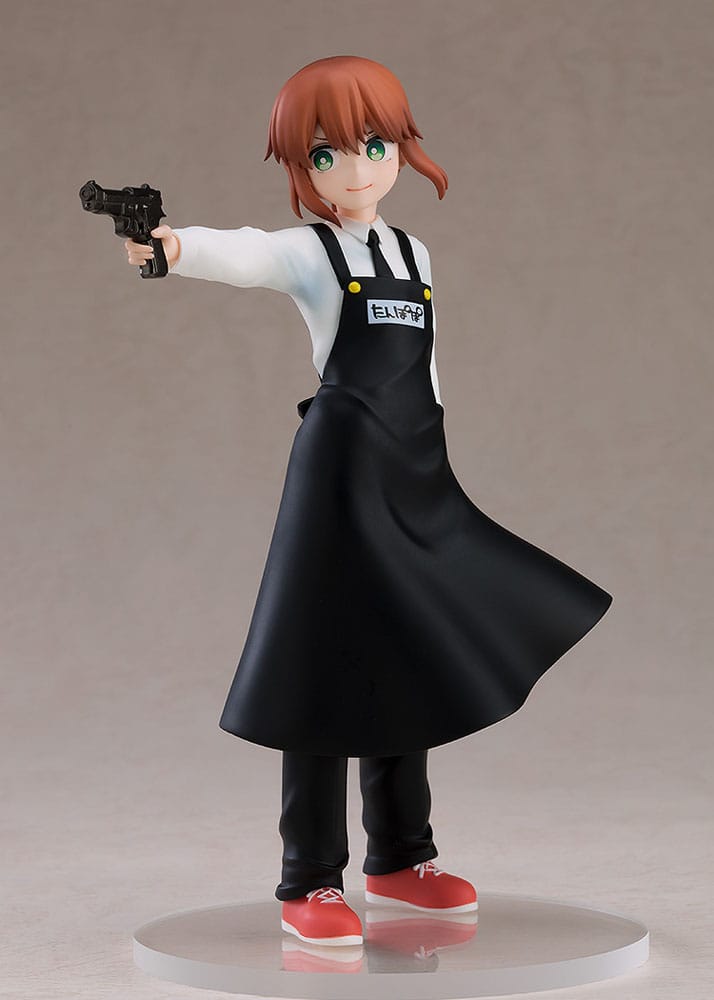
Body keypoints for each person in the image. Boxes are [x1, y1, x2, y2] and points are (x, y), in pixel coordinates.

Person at [124, 55, 613, 948]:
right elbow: (246, 253)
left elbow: (428, 368)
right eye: (326, 155)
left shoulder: (414, 254)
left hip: (412, 472)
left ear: (401, 148)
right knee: (318, 667)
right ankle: (310, 877)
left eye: (373, 146)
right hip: (338, 480)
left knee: (409, 650)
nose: (354, 170)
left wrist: (435, 462)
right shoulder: (310, 253)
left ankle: (399, 857)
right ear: (302, 168)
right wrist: (171, 246)